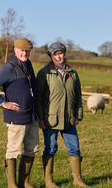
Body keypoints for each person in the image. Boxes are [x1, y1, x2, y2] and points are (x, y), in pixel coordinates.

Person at [0, 38, 39, 188]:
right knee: (14, 151)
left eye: (27, 51)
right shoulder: (9, 67)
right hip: (17, 116)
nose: (25, 53)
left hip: (31, 115)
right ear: (15, 50)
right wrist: (3, 103)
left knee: (32, 149)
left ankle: (24, 182)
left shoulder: (28, 65)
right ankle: (11, 185)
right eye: (22, 50)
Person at [35, 42, 89, 187]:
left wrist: (78, 115)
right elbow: (38, 97)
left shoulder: (72, 72)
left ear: (64, 54)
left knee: (75, 149)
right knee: (50, 148)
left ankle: (77, 180)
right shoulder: (44, 73)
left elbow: (78, 95)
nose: (58, 57)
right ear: (51, 56)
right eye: (55, 54)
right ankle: (49, 181)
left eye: (60, 53)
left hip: (69, 119)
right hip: (50, 119)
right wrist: (40, 118)